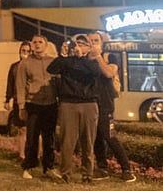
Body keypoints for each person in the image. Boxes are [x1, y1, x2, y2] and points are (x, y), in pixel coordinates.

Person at [47, 33, 105, 184]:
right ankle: (65, 173)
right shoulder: (67, 61)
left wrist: (82, 58)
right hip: (69, 103)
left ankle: (87, 174)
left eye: (82, 44)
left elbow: (94, 73)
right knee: (67, 141)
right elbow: (51, 69)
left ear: (88, 47)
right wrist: (62, 55)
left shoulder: (93, 61)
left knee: (88, 140)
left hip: (89, 103)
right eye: (76, 43)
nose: (78, 46)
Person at [88, 32, 137, 182]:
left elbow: (109, 73)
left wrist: (98, 57)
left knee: (109, 136)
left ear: (101, 43)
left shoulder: (109, 57)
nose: (93, 43)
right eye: (90, 41)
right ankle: (102, 168)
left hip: (105, 102)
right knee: (96, 137)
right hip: (89, 101)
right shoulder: (84, 59)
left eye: (96, 40)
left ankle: (126, 169)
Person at [15, 35, 62, 180]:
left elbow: (59, 82)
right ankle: (28, 167)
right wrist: (21, 106)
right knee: (32, 138)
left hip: (50, 104)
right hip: (33, 104)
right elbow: (20, 85)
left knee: (49, 138)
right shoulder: (25, 63)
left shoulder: (53, 62)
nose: (37, 44)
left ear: (46, 45)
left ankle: (49, 167)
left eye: (40, 42)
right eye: (34, 42)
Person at [4, 41, 30, 162]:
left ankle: (37, 156)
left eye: (28, 51)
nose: (25, 53)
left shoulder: (34, 66)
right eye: (23, 51)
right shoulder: (14, 67)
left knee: (35, 130)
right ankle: (22, 155)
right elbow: (10, 83)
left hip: (32, 101)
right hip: (18, 101)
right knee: (22, 129)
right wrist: (7, 99)